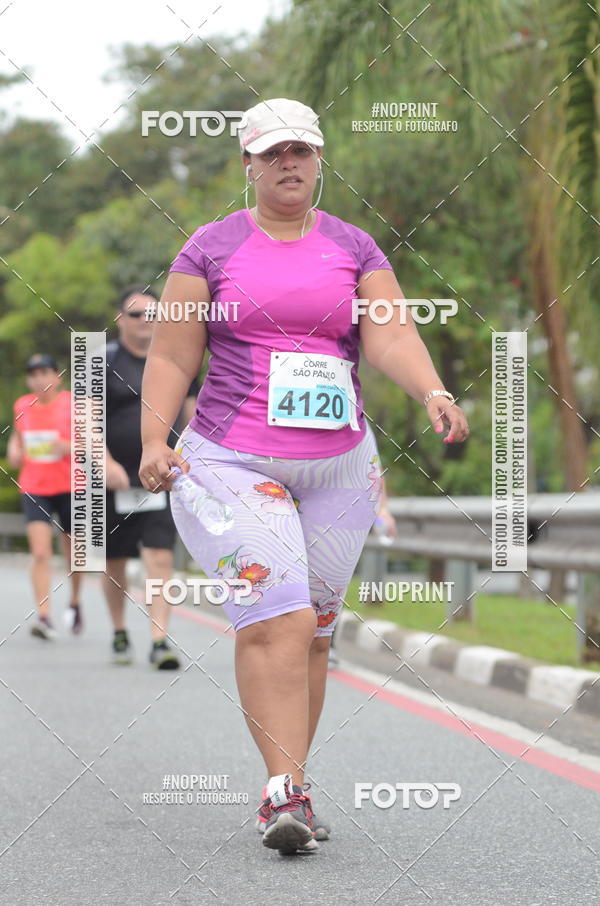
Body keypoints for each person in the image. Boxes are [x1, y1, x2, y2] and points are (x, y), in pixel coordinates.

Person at [138, 98, 469, 853]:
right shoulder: (209, 248)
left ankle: (295, 784)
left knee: (316, 631)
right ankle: (279, 795)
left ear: (319, 161)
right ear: (249, 164)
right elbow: (172, 353)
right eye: (274, 152)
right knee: (281, 615)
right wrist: (157, 438)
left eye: (303, 151)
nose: (290, 163)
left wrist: (433, 391)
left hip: (340, 467)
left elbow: (389, 331)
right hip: (230, 459)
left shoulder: (354, 245)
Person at [103, 284, 199, 669]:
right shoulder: (101, 360)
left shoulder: (179, 357)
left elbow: (193, 418)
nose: (146, 322)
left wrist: (201, 462)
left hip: (163, 474)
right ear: (120, 319)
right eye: (136, 314)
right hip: (115, 477)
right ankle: (119, 630)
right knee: (116, 560)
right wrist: (103, 462)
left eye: (153, 314)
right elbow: (85, 419)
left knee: (160, 555)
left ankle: (160, 639)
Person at [8, 354, 83, 638]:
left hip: (71, 486)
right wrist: (14, 450)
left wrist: (67, 445)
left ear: (57, 376)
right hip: (35, 486)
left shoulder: (73, 404)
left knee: (74, 555)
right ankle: (44, 616)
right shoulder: (22, 405)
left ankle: (75, 602)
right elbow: (19, 438)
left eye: (44, 373)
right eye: (33, 374)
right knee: (40, 553)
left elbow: (95, 444)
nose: (39, 379)